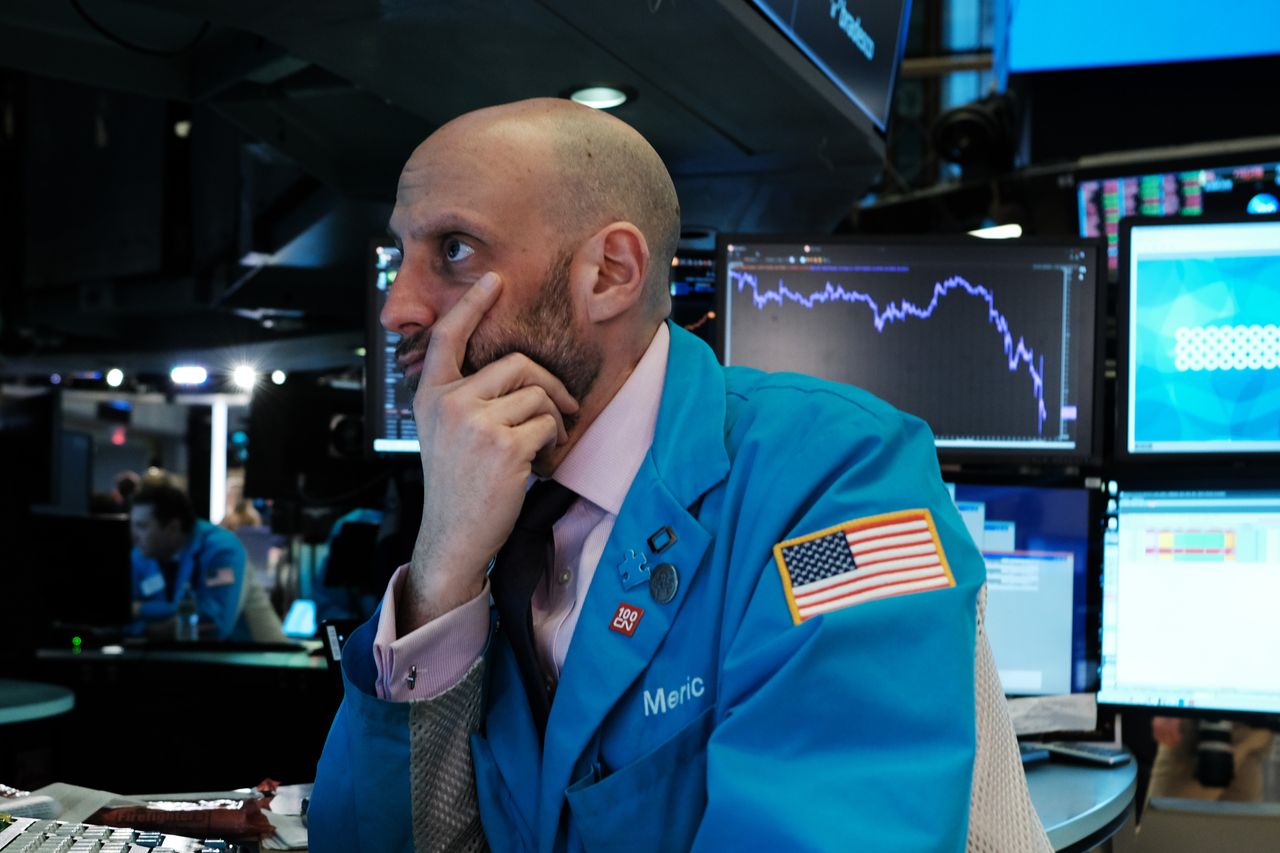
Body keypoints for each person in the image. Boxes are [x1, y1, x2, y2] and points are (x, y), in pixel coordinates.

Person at [311, 98, 1048, 851]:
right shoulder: (489, 512)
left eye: (456, 250)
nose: (397, 307)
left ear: (610, 272)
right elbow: (370, 836)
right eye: (401, 255)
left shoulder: (840, 481)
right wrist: (444, 568)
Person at [129, 483, 282, 642]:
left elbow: (214, 625)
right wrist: (158, 627)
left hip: (257, 657)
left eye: (142, 526)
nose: (134, 536)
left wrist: (142, 610)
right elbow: (120, 618)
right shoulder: (141, 555)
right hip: (185, 659)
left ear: (173, 527)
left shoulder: (221, 549)